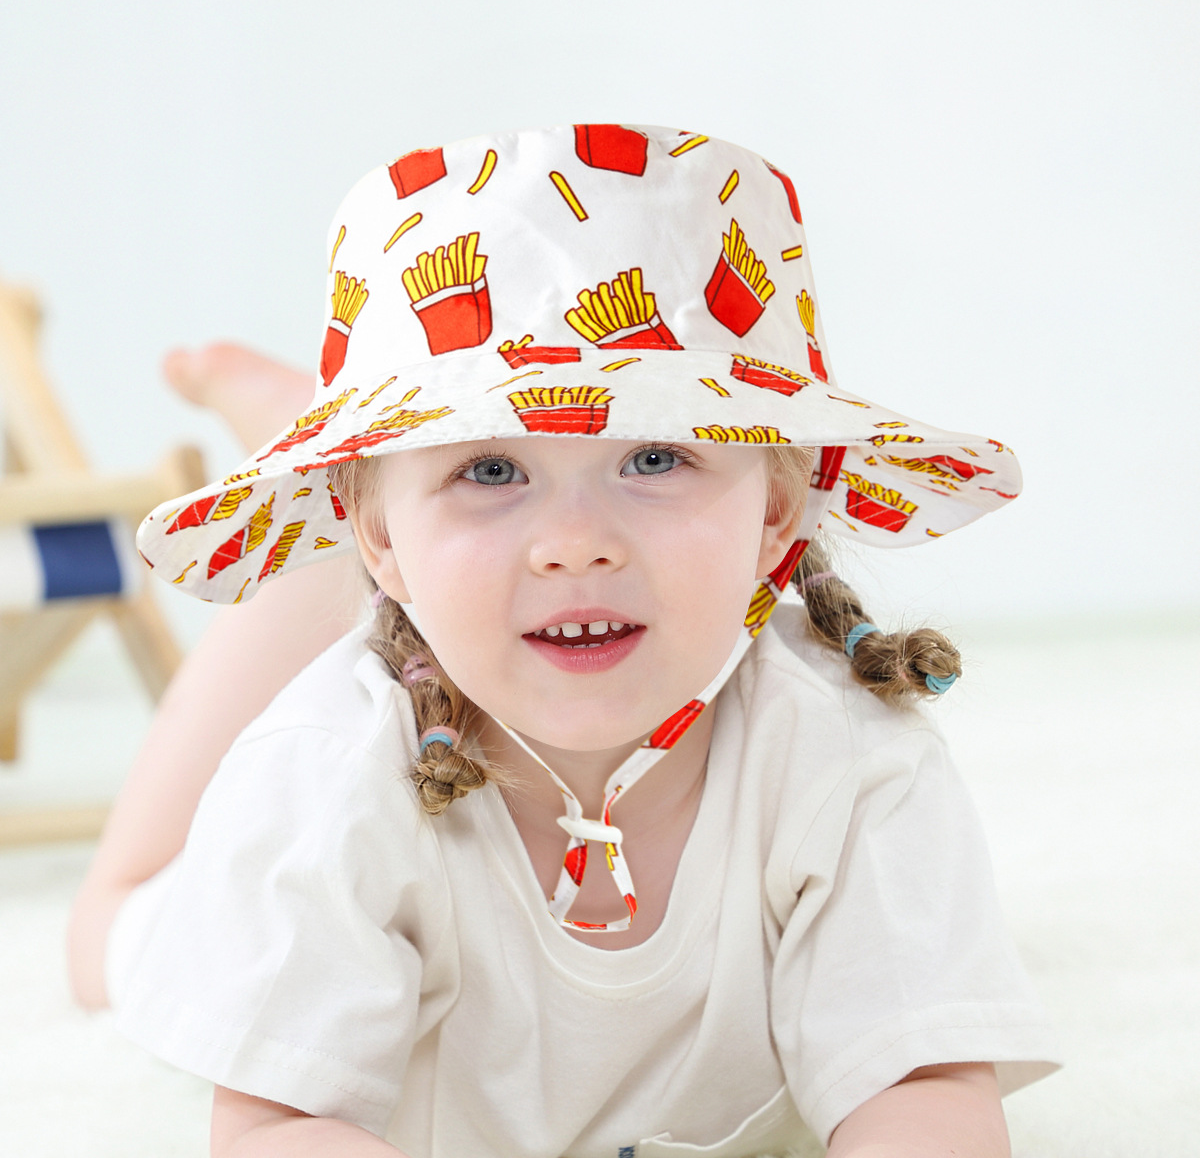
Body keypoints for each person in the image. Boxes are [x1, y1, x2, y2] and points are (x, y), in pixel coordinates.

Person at [69, 124, 1058, 1158]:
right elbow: (277, 1125)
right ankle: (315, 496)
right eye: (490, 469)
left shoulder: (851, 759)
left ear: (776, 508)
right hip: (299, 772)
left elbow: (926, 1086)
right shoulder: (322, 783)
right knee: (104, 928)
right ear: (381, 532)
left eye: (656, 458)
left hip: (413, 560)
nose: (576, 544)